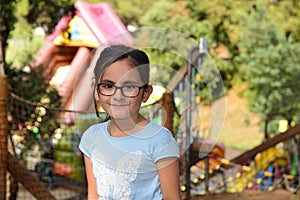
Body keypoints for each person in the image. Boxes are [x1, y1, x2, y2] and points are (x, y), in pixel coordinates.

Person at [79, 44, 181, 200]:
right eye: (108, 86)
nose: (118, 96)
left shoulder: (160, 140)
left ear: (146, 93)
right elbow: (93, 195)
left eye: (129, 87)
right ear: (96, 90)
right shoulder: (91, 138)